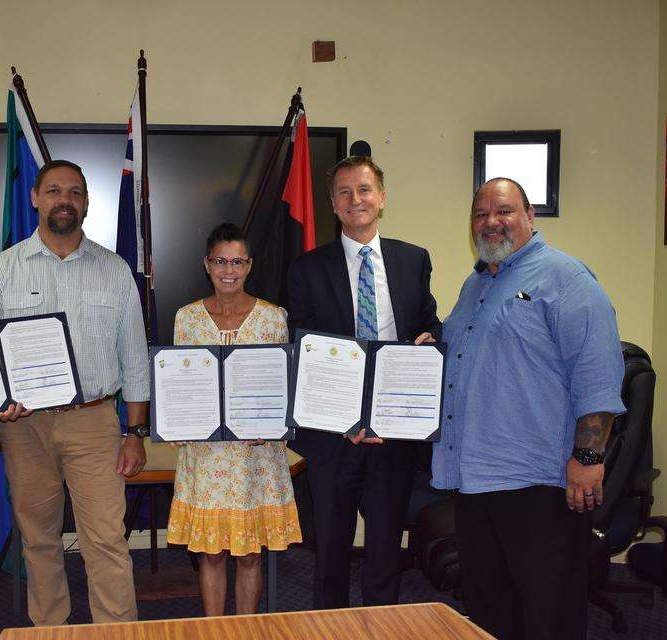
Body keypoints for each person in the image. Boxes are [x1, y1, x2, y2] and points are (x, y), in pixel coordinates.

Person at [432, 177, 626, 640]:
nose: (491, 222)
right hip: (475, 479)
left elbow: (597, 377)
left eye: (504, 211)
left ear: (529, 217)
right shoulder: (474, 285)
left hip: (539, 484)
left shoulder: (566, 279)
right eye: (480, 214)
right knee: (488, 610)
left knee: (547, 615)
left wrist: (589, 459)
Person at [0, 159, 149, 626]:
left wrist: (135, 431)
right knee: (39, 540)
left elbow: (134, 357)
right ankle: (49, 631)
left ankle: (116, 635)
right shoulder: (2, 270)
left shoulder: (114, 272)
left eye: (75, 192)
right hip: (25, 426)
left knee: (106, 541)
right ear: (35, 197)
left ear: (87, 203)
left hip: (93, 423)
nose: (64, 200)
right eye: (54, 191)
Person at [286, 156, 441, 608]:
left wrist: (432, 337)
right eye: (345, 192)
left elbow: (427, 322)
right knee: (330, 547)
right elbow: (305, 350)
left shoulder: (413, 260)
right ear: (333, 204)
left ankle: (382, 625)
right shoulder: (307, 269)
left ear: (382, 197)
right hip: (333, 435)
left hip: (393, 431)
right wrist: (342, 419)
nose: (356, 200)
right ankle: (329, 626)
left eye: (365, 189)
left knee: (384, 548)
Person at [167, 222, 302, 616]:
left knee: (249, 554)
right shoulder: (186, 319)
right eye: (220, 261)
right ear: (206, 264)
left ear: (249, 265)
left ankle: (244, 629)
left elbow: (284, 384)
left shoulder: (274, 318)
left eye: (237, 262)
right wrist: (178, 420)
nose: (229, 270)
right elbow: (179, 383)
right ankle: (214, 630)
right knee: (210, 554)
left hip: (255, 456)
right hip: (206, 456)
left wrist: (275, 421)